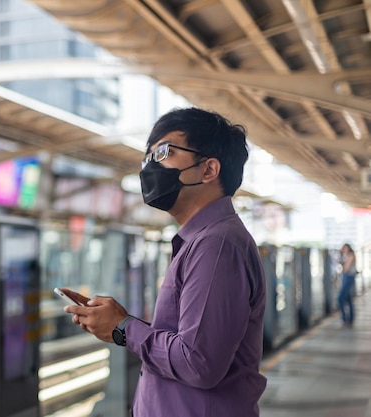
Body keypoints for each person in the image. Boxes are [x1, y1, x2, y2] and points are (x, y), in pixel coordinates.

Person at [61, 107, 266, 417]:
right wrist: (118, 323)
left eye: (164, 153)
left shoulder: (216, 245)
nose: (149, 168)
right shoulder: (201, 241)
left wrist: (123, 327)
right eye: (147, 158)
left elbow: (199, 363)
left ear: (208, 170)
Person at [338, 243, 356, 327]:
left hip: (348, 278)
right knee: (349, 300)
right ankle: (350, 319)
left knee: (340, 299)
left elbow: (346, 269)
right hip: (347, 278)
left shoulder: (350, 255)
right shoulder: (346, 256)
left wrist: (343, 264)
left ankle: (345, 319)